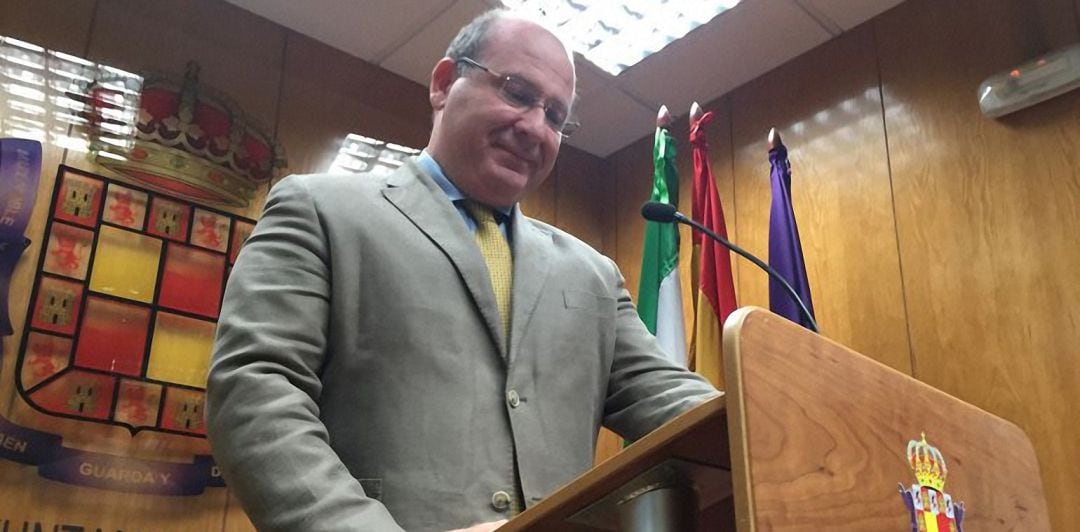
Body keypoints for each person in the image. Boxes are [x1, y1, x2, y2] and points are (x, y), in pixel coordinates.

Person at [206, 9, 720, 532]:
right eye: (518, 93)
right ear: (445, 83)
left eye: (556, 116)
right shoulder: (319, 211)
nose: (535, 127)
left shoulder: (594, 275)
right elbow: (257, 392)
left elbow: (683, 408)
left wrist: (784, 417)